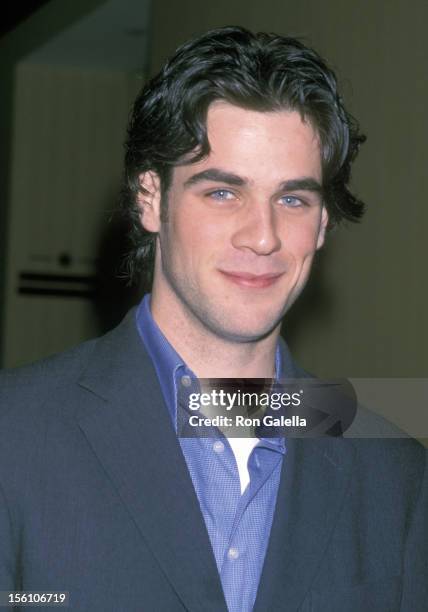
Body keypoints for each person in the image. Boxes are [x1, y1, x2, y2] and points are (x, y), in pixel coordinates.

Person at [0, 26, 426, 612]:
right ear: (151, 199)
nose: (263, 236)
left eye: (293, 199)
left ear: (323, 223)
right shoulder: (15, 434)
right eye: (223, 192)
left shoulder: (395, 473)